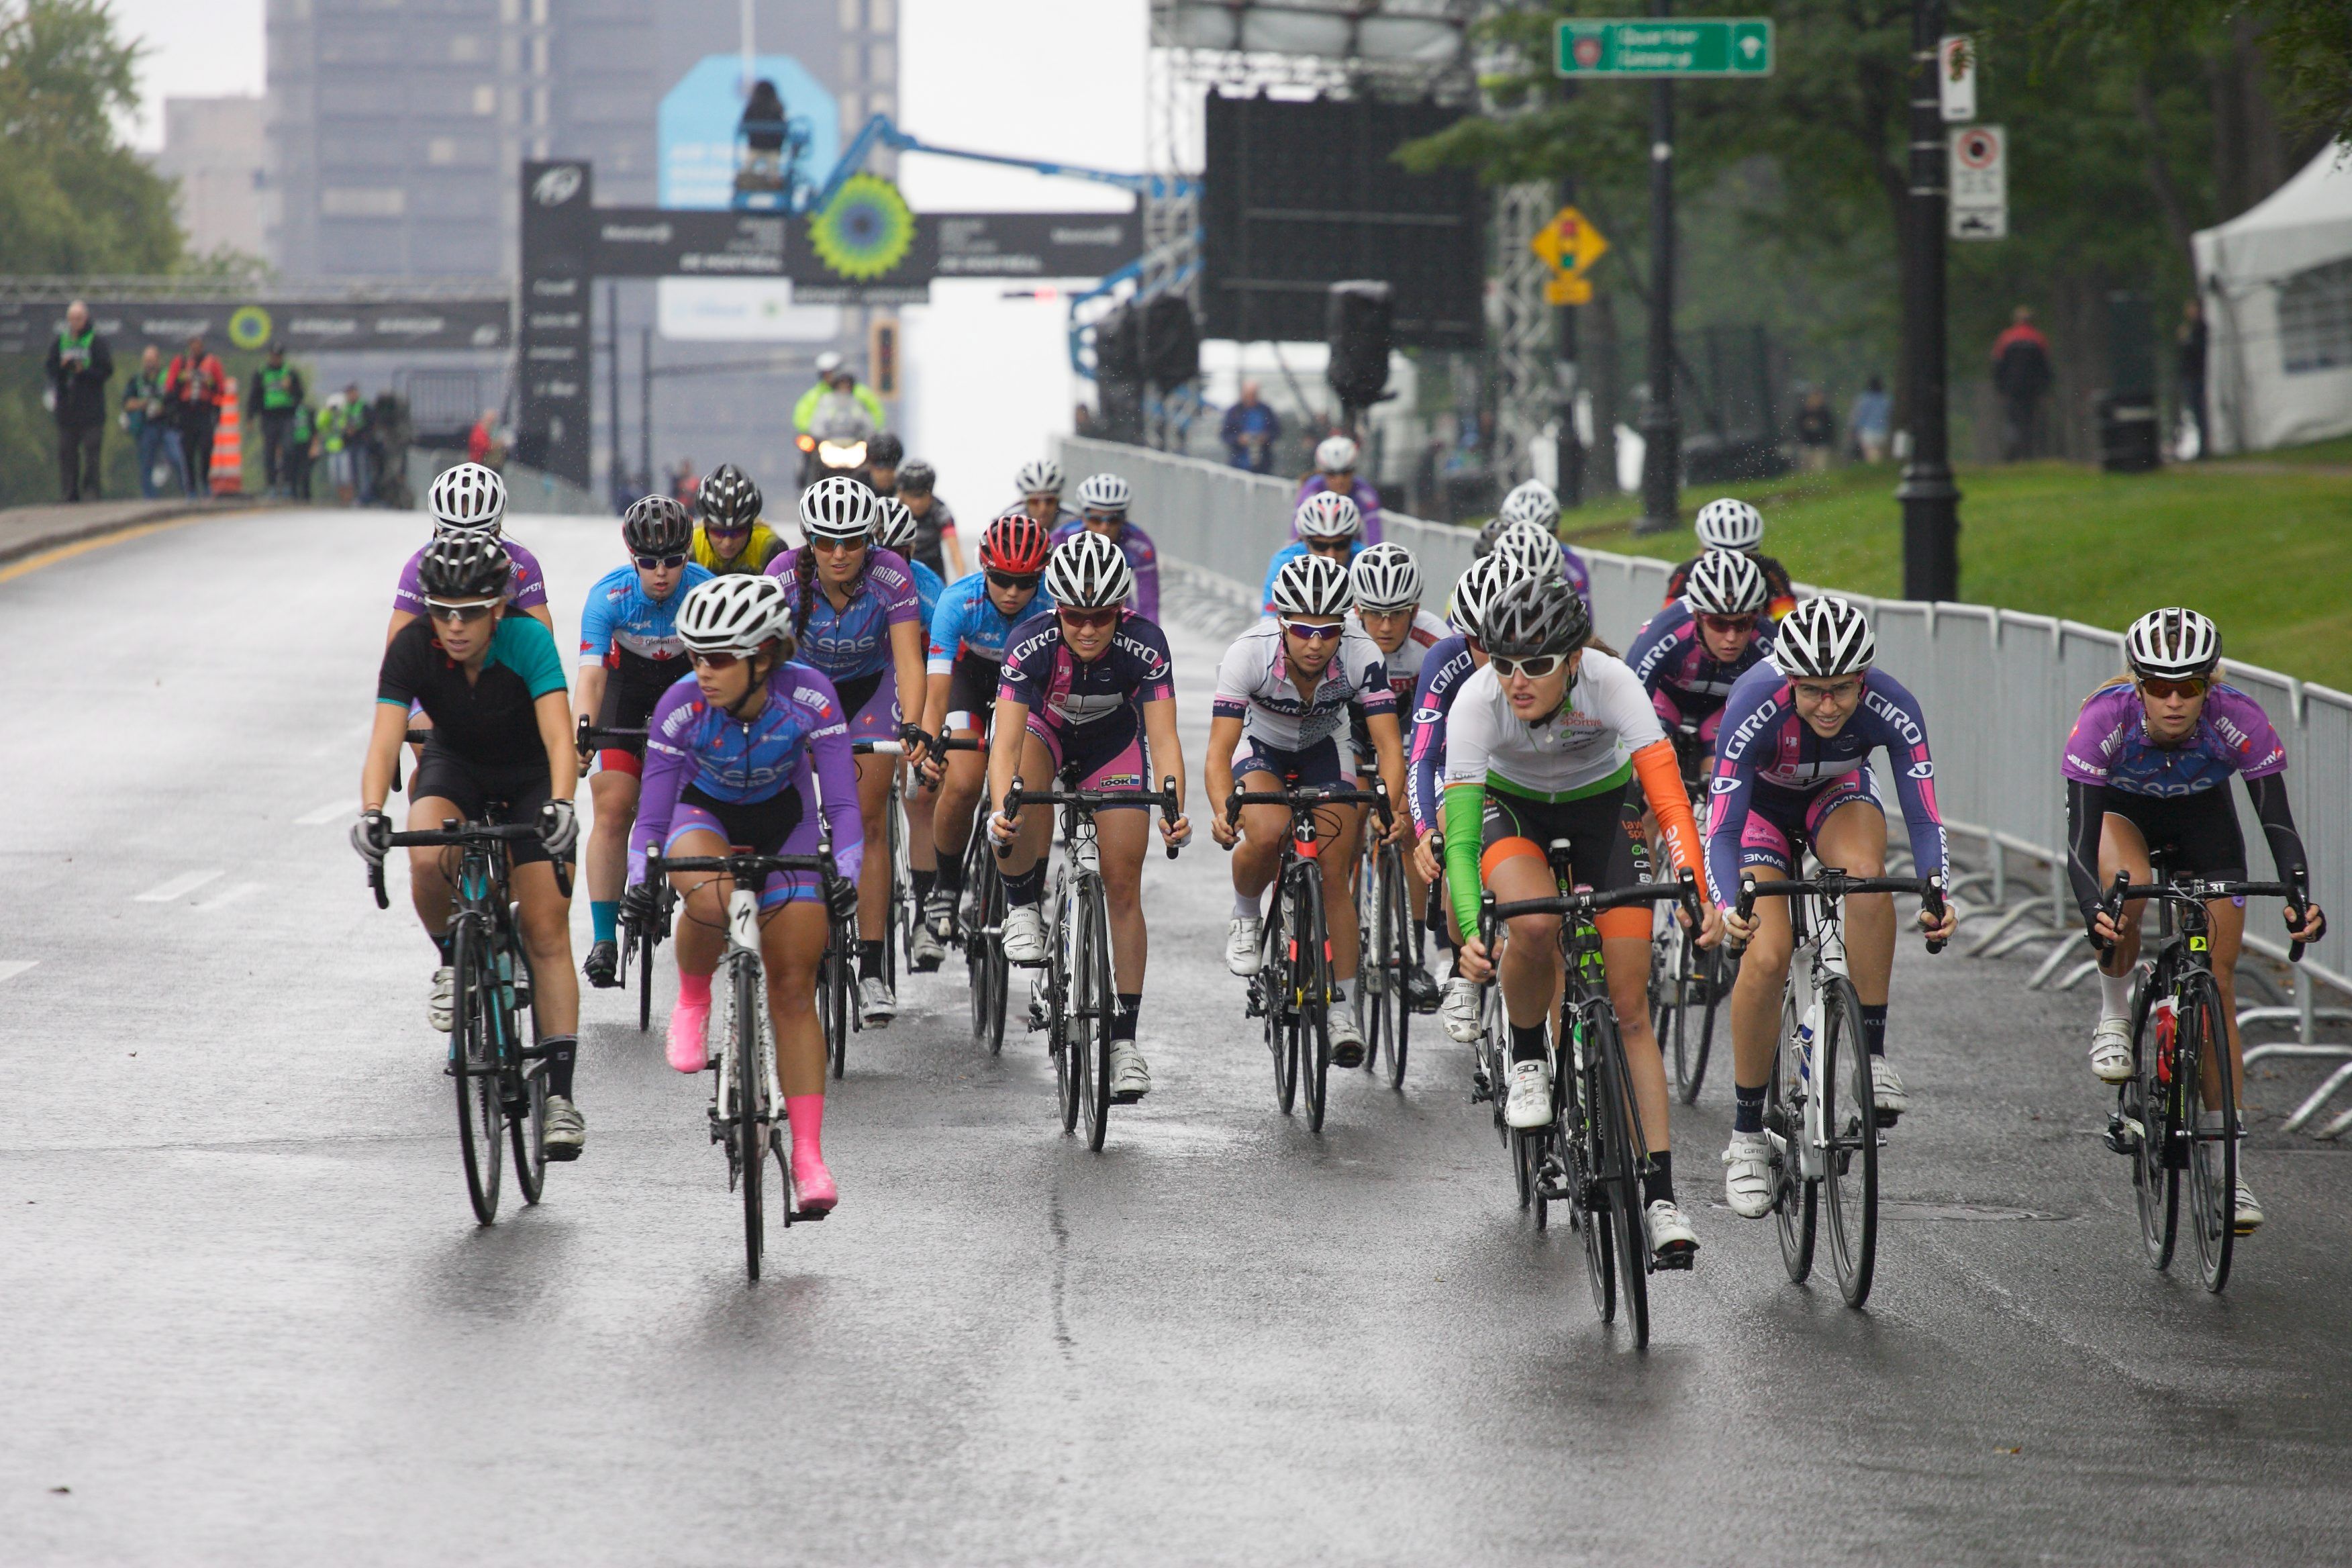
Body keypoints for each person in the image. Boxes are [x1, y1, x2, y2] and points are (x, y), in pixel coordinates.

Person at [1440, 573, 1714, 1262]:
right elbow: (1465, 843)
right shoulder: (1477, 703)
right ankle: (1529, 1053)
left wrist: (1695, 889)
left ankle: (1660, 1198)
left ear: (1572, 659)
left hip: (1601, 808)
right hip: (1514, 808)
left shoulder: (1613, 682)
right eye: (1503, 662)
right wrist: (1473, 930)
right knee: (1532, 924)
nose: (1516, 679)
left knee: (1630, 1008)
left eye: (1535, 664)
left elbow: (1670, 801)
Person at [2063, 608, 2325, 1235]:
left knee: (2220, 981)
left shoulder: (2239, 720)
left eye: (2190, 687)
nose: (2175, 701)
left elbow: (2278, 822)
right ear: (2137, 684)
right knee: (2123, 898)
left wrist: (2298, 897)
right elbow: (2079, 840)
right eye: (2158, 686)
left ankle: (2228, 1167)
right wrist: (2093, 912)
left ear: (2212, 684)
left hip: (2204, 822)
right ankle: (2113, 1010)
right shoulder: (2105, 720)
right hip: (2121, 816)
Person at [1708, 597, 1961, 1219]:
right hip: (1760, 816)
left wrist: (1937, 891)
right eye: (1813, 691)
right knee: (1766, 956)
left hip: (1838, 796)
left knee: (1868, 877)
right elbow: (1720, 829)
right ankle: (1744, 1138)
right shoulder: (1753, 703)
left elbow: (1925, 815)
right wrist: (1725, 902)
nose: (1827, 705)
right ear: (1789, 680)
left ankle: (1871, 1058)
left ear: (1863, 680)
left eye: (1842, 690)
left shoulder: (1894, 705)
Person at [627, 573, 860, 1213]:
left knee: (794, 986)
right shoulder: (681, 705)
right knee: (709, 898)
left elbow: (840, 801)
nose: (703, 671)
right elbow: (650, 819)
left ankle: (809, 1159)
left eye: (720, 658)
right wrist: (641, 884)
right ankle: (694, 998)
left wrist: (846, 876)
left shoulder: (811, 697)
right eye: (695, 655)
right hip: (704, 814)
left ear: (765, 656)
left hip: (786, 819)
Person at [352, 535, 586, 1159]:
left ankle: (559, 1095)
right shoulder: (412, 647)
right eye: (442, 610)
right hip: (457, 764)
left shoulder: (529, 643)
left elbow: (561, 738)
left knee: (544, 926)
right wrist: (372, 812)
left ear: (498, 609)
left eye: (471, 611)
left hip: (529, 773)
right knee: (426, 854)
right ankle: (454, 959)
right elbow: (382, 740)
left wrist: (562, 804)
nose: (455, 626)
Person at [989, 531, 1192, 1097]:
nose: (1086, 629)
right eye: (1075, 615)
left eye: (1100, 617)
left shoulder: (1146, 644)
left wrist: (1173, 804)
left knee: (1124, 882)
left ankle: (1124, 1042)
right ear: (1057, 608)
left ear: (1119, 611)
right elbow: (1003, 744)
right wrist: (1001, 808)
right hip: (1044, 734)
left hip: (1112, 746)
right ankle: (1023, 904)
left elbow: (1164, 736)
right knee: (1023, 794)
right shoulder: (1030, 644)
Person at [1209, 552, 1406, 1066]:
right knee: (1269, 830)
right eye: (1302, 630)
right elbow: (1217, 751)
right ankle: (1247, 914)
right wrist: (1221, 810)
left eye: (1328, 630)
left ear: (1345, 626)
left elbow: (1388, 747)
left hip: (1326, 747)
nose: (1315, 643)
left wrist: (1390, 806)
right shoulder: (1248, 653)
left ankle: (1343, 1008)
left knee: (1333, 867)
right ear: (1282, 624)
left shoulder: (1363, 654)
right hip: (1262, 746)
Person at [763, 475, 932, 1025]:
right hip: (801, 691)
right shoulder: (782, 577)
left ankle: (875, 968)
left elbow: (909, 661)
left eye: (853, 542)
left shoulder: (892, 574)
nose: (840, 554)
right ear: (808, 539)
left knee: (869, 818)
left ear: (871, 541)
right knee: (787, 812)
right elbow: (761, 662)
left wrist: (914, 727)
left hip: (867, 692)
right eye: (827, 542)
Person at [575, 496, 714, 987]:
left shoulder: (705, 594)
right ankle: (603, 939)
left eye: (674, 561)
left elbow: (724, 678)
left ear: (688, 556)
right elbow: (590, 679)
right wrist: (584, 732)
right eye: (649, 562)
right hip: (625, 688)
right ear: (631, 557)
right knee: (613, 806)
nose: (661, 573)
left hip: (688, 684)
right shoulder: (607, 598)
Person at [916, 513, 1055, 946]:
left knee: (1036, 786)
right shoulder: (958, 601)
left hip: (1030, 687)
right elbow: (937, 692)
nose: (1013, 593)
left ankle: (1031, 897)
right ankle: (946, 886)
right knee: (963, 782)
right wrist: (929, 744)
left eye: (1025, 582)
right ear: (982, 568)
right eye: (1001, 579)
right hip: (971, 682)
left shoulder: (1052, 603)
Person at [1412, 554, 1534, 1037]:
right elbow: (1422, 757)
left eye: (1509, 642)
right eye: (1482, 644)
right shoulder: (1446, 659)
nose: (1495, 654)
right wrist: (1425, 833)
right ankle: (1464, 971)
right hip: (1459, 766)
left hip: (1522, 769)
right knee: (1453, 839)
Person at [1346, 542, 1448, 1010]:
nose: (1385, 626)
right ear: (1356, 608)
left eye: (1397, 614)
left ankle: (1412, 956)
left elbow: (1440, 724)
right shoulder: (1341, 636)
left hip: (1410, 740)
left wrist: (1405, 798)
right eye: (1374, 614)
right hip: (1350, 736)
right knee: (1344, 833)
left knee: (1410, 835)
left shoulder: (1435, 642)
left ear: (1416, 610)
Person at [874, 495, 951, 971]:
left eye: (898, 555)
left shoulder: (927, 588)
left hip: (913, 679)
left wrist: (924, 729)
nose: (887, 564)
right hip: (867, 681)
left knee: (920, 797)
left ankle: (923, 913)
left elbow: (937, 663)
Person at [1624, 550, 1777, 784]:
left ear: (1756, 616)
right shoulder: (1666, 631)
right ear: (1697, 615)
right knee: (1654, 774)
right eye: (1718, 624)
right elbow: (1628, 702)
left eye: (1743, 623)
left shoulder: (1768, 641)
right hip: (1665, 699)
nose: (1731, 637)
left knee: (1724, 777)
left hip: (1722, 708)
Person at [390, 463, 554, 640]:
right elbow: (398, 651)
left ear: (497, 531)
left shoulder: (521, 565)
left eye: (479, 542)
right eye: (453, 542)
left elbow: (542, 646)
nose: (466, 554)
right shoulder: (418, 567)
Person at [1661, 497, 1797, 620]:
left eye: (1745, 558)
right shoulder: (1686, 573)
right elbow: (1668, 621)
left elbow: (1787, 620)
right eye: (1717, 559)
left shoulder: (1769, 570)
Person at [1048, 473, 1159, 624]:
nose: (1104, 527)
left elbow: (1149, 603)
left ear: (1124, 519)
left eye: (1113, 520)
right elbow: (1047, 595)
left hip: (1119, 614)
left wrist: (1148, 635)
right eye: (1096, 519)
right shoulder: (1061, 539)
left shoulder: (1140, 545)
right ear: (1083, 517)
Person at [1481, 481, 1591, 609]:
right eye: (1519, 539)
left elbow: (1585, 622)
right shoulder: (1488, 566)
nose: (1530, 548)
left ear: (1557, 533)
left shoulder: (1574, 569)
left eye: (1541, 537)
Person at [44, 300, 113, 502]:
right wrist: (63, 367)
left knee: (92, 452)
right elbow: (50, 368)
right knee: (67, 453)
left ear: (86, 319)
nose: (75, 323)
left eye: (79, 319)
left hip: (91, 409)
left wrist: (85, 371)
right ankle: (69, 491)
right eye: (72, 319)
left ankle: (91, 491)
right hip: (67, 409)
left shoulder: (96, 342)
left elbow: (107, 371)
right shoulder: (61, 341)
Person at [1260, 491, 1365, 614]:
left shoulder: (1363, 559)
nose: (1331, 554)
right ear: (1305, 541)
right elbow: (1269, 618)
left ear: (1352, 541)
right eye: (1320, 545)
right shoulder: (1284, 562)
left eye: (1341, 544)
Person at [691, 462, 788, 575]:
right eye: (718, 532)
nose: (728, 543)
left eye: (738, 531)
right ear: (705, 526)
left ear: (752, 526)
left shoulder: (770, 548)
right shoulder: (693, 549)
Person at [164, 332, 225, 499]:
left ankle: (205, 481)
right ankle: (190, 487)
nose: (195, 347)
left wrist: (208, 382)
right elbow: (170, 386)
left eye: (198, 344)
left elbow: (220, 389)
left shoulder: (212, 363)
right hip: (186, 412)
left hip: (205, 412)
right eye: (193, 344)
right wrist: (183, 379)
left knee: (206, 447)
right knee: (187, 451)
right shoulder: (181, 363)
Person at [1293, 434, 1385, 544]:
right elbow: (1295, 537)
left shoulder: (1364, 493)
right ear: (1322, 473)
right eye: (1332, 474)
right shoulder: (1311, 489)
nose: (1339, 480)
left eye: (1346, 473)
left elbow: (1374, 534)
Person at [1992, 306, 2054, 461]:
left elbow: (1998, 365)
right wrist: (2045, 387)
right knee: (2029, 419)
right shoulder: (2038, 338)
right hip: (2032, 387)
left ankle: (2013, 448)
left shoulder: (2006, 338)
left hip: (2011, 386)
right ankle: (2028, 452)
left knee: (2012, 418)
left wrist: (2000, 387)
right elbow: (2045, 367)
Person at [122, 344, 183, 500]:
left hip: (168, 425)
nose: (149, 363)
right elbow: (127, 403)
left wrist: (164, 408)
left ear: (158, 360)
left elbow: (178, 398)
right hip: (147, 425)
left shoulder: (168, 377)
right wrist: (144, 404)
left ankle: (187, 492)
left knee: (177, 457)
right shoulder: (137, 380)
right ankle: (149, 497)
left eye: (152, 360)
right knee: (146, 462)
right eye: (146, 360)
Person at [244, 344, 305, 495]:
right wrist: (250, 416)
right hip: (269, 417)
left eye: (279, 356)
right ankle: (271, 485)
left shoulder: (290, 373)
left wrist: (290, 389)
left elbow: (300, 396)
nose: (276, 359)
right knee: (269, 451)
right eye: (274, 356)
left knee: (288, 449)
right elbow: (254, 396)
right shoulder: (262, 373)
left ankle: (288, 484)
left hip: (287, 416)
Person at [895, 460, 964, 579]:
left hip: (933, 579)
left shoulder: (940, 512)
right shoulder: (893, 511)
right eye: (912, 495)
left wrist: (963, 583)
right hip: (900, 576)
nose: (918, 503)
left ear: (931, 493)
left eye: (922, 495)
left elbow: (955, 553)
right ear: (901, 493)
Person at [793, 352, 885, 440]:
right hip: (826, 441)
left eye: (832, 373)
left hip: (856, 439)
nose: (829, 377)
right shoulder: (815, 396)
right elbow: (802, 418)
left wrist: (871, 432)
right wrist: (813, 433)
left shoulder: (861, 393)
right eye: (825, 374)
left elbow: (875, 413)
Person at [1220, 379, 1279, 473]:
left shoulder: (1265, 411)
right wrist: (1239, 439)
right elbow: (1225, 434)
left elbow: (1276, 431)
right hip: (1239, 464)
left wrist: (1265, 438)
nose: (1251, 398)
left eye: (1254, 395)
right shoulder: (1234, 412)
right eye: (1249, 395)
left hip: (1263, 463)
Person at [2176, 299, 2209, 460]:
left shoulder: (2201, 328)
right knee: (2194, 412)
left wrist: (2186, 341)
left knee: (2199, 411)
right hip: (2190, 375)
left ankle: (2204, 448)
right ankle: (2198, 447)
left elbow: (2197, 350)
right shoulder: (2193, 328)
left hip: (2197, 375)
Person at [1014, 457, 1077, 531]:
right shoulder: (1009, 523)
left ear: (1059, 500)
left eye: (1050, 501)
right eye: (1034, 502)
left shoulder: (1075, 521)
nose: (1043, 509)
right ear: (1024, 502)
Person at [1848, 375, 1891, 464]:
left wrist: (1853, 430)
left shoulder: (1864, 399)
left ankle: (1875, 471)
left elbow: (1858, 416)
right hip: (1884, 430)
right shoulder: (1887, 399)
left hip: (1868, 432)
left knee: (1871, 456)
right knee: (1880, 454)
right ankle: (1879, 470)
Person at [1794, 389, 1834, 472]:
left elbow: (1830, 428)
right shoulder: (1803, 413)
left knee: (1819, 468)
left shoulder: (1825, 413)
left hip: (1821, 445)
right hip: (1806, 444)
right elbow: (1798, 427)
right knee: (1805, 469)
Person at [288, 397, 316, 501]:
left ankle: (306, 496)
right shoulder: (288, 412)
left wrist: (314, 446)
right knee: (293, 471)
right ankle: (294, 495)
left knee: (305, 472)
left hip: (306, 444)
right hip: (293, 445)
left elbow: (314, 429)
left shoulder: (308, 411)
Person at [865, 432, 903, 496]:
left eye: (891, 468)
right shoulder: (857, 486)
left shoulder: (904, 488)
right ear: (869, 466)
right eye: (880, 468)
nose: (885, 474)